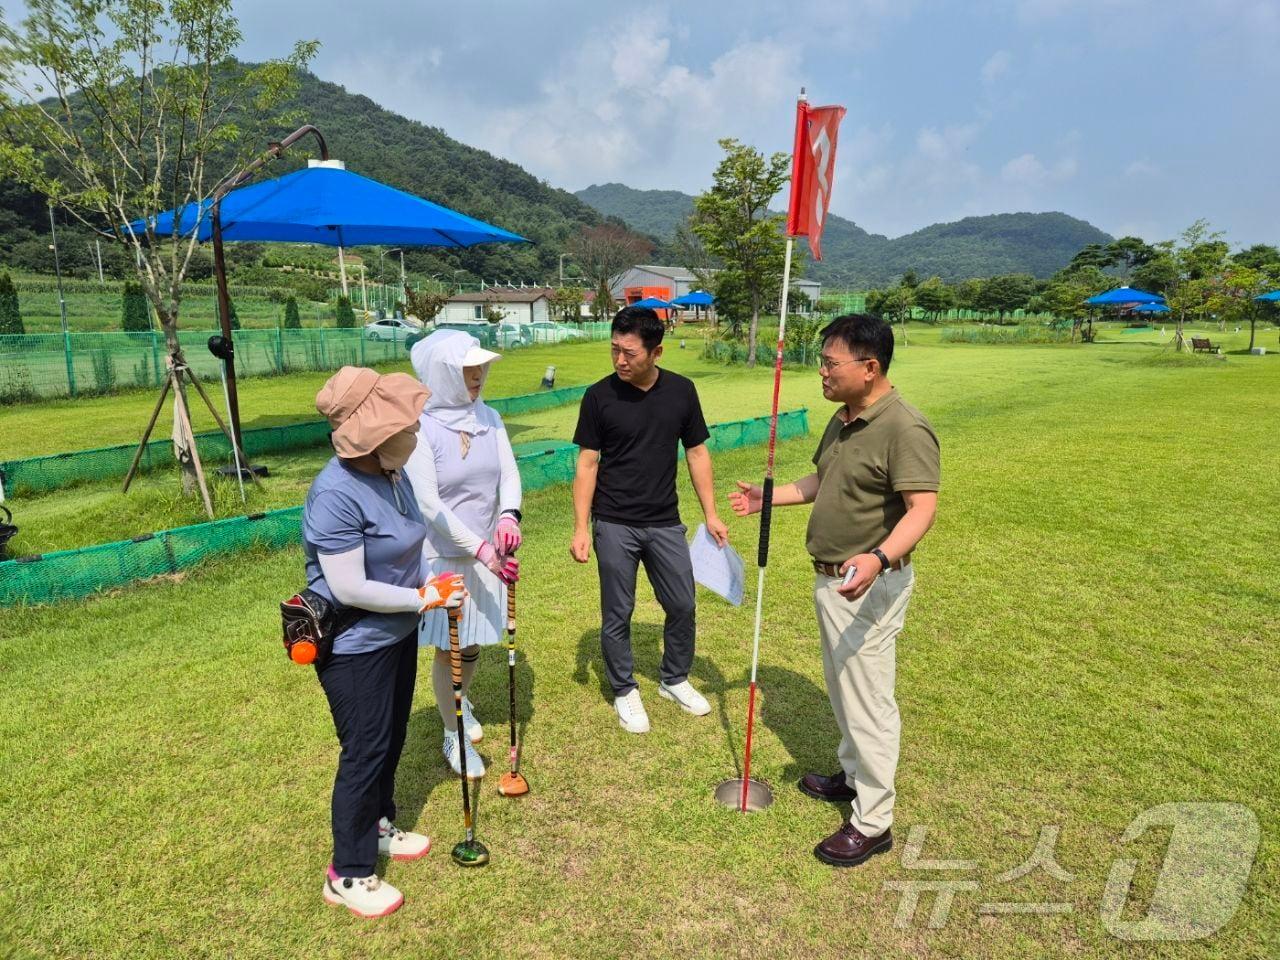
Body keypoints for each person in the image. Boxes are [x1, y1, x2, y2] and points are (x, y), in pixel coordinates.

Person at [729, 314, 940, 868]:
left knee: (868, 697)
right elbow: (825, 481)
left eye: (830, 362)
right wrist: (765, 498)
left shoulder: (905, 427)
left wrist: (876, 557)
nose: (820, 371)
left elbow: (922, 509)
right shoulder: (843, 420)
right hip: (833, 580)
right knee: (844, 685)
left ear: (869, 368)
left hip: (868, 584)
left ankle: (874, 821)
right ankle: (852, 776)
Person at [304, 366, 468, 918]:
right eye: (406, 426)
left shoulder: (391, 475)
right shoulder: (335, 492)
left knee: (391, 736)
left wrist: (431, 588)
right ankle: (346, 873)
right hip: (355, 648)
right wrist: (427, 597)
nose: (415, 431)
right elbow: (349, 586)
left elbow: (405, 547)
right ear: (374, 435)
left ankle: (378, 825)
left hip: (396, 633)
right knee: (365, 750)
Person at [571, 305, 729, 733]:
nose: (620, 360)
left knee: (683, 603)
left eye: (630, 353)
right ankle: (625, 690)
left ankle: (674, 678)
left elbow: (696, 453)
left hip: (664, 521)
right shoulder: (598, 396)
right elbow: (587, 463)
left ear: (656, 352)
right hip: (614, 522)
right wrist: (582, 527)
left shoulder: (681, 391)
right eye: (614, 350)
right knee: (617, 612)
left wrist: (711, 514)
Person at [403, 329, 522, 779]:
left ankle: (460, 700)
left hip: (487, 550)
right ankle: (452, 732)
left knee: (470, 643)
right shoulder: (423, 428)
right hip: (444, 555)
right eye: (467, 370)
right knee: (448, 647)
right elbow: (429, 504)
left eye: (481, 367)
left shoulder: (489, 417)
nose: (479, 376)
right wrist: (481, 549)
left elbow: (508, 474)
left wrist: (508, 516)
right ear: (443, 375)